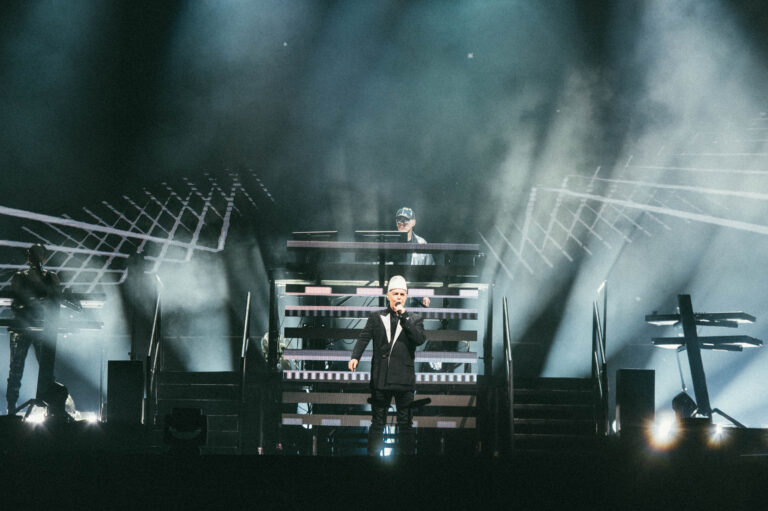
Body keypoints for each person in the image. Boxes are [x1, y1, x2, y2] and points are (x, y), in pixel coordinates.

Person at [348, 275, 426, 455]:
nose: (399, 297)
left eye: (402, 294)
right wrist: (355, 357)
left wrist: (404, 316)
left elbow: (419, 339)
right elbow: (364, 337)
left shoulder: (415, 319)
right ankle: (373, 460)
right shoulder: (376, 317)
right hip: (381, 378)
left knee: (405, 423)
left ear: (406, 297)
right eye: (395, 293)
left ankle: (406, 461)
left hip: (404, 380)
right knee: (377, 422)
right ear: (388, 295)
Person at [6, 244, 62, 415]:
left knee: (47, 369)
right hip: (22, 327)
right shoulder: (19, 277)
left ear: (44, 257)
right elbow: (14, 300)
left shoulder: (52, 277)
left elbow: (57, 300)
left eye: (38, 254)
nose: (34, 257)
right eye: (32, 254)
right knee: (16, 369)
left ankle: (51, 407)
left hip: (43, 328)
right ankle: (11, 409)